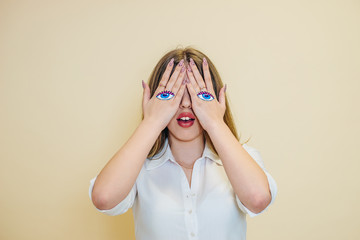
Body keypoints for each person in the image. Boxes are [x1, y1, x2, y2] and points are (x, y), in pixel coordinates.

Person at [88, 47, 278, 240]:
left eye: (198, 94)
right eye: (173, 94)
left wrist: (215, 121)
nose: (186, 104)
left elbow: (258, 199)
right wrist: (151, 121)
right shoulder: (137, 167)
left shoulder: (243, 157)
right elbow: (104, 198)